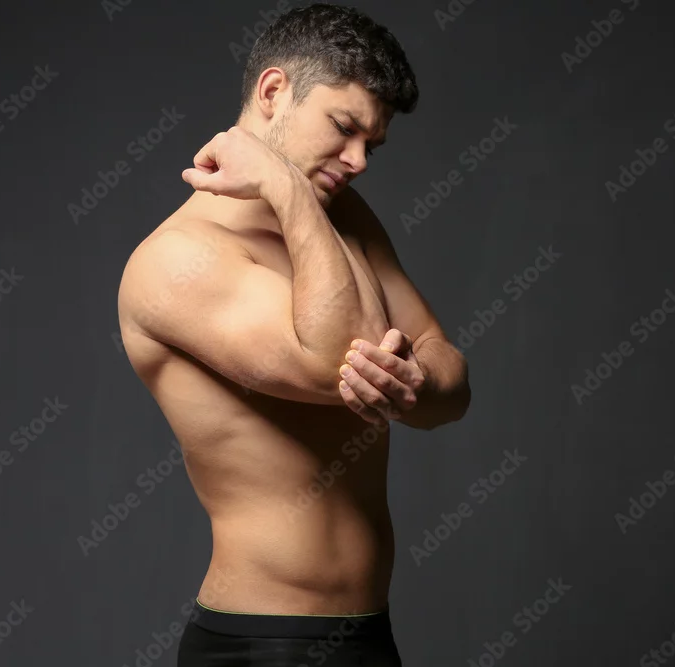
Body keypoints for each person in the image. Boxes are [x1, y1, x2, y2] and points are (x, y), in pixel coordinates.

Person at [117, 4, 471, 665]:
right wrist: (284, 185)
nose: (358, 160)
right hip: (264, 642)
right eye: (344, 127)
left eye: (371, 145)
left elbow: (449, 377)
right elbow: (341, 359)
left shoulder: (342, 214)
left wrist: (415, 386)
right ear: (274, 91)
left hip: (369, 633)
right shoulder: (173, 262)